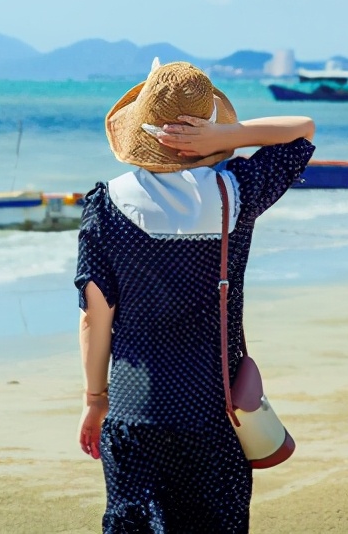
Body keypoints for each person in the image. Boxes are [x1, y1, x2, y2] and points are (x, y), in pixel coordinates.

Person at [75, 60, 315, 533]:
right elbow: (302, 132)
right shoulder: (237, 193)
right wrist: (228, 137)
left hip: (134, 403)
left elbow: (94, 318)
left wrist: (95, 398)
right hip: (213, 407)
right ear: (209, 129)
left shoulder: (106, 205)